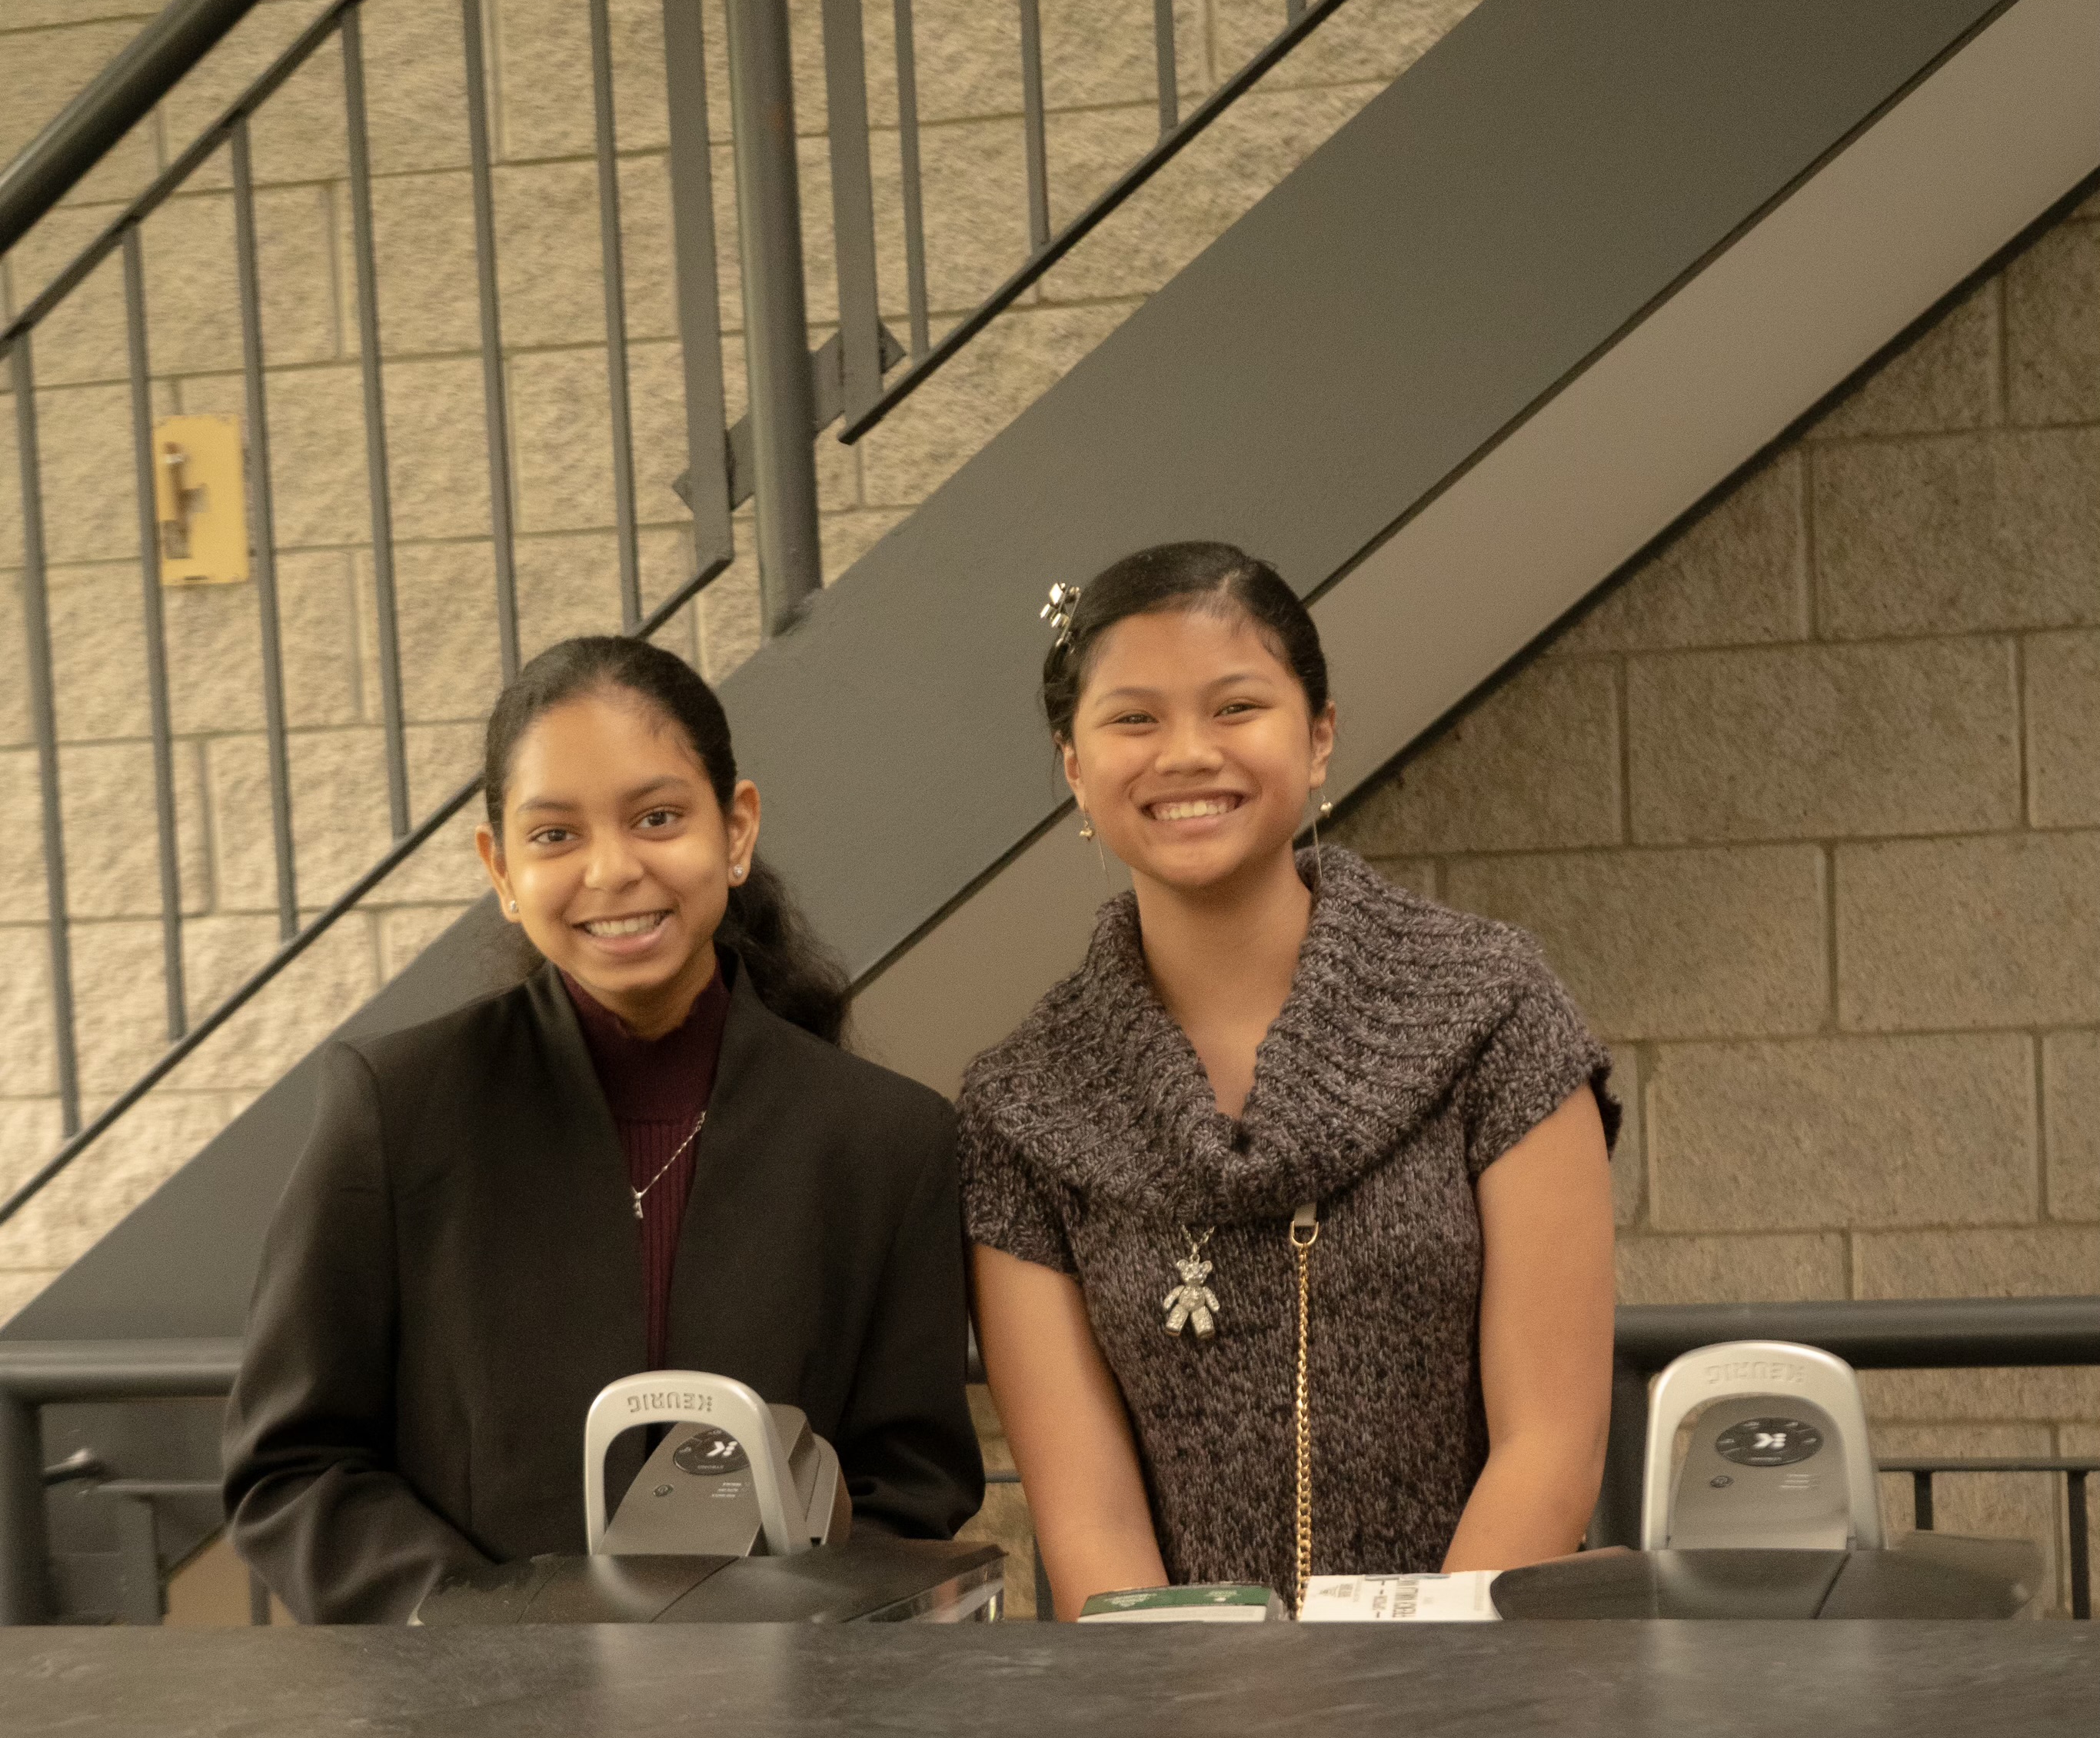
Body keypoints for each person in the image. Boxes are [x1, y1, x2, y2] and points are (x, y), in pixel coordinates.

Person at [225, 635, 981, 1621]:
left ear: (737, 830)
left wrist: (773, 1645)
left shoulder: (889, 1142)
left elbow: (909, 1490)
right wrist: (485, 1619)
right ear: (499, 867)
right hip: (465, 1735)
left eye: (658, 817)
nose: (613, 870)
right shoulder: (395, 1106)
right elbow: (293, 1466)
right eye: (554, 836)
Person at [959, 543, 1618, 1619]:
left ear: (1316, 738)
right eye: (1132, 719)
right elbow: (1088, 1521)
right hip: (1178, 1732)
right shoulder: (1023, 1107)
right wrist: (1215, 1734)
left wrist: (1403, 1692)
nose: (1184, 754)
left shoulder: (1492, 1007)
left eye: (1235, 708)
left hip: (1477, 1703)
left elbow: (1549, 1442)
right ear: (1073, 768)